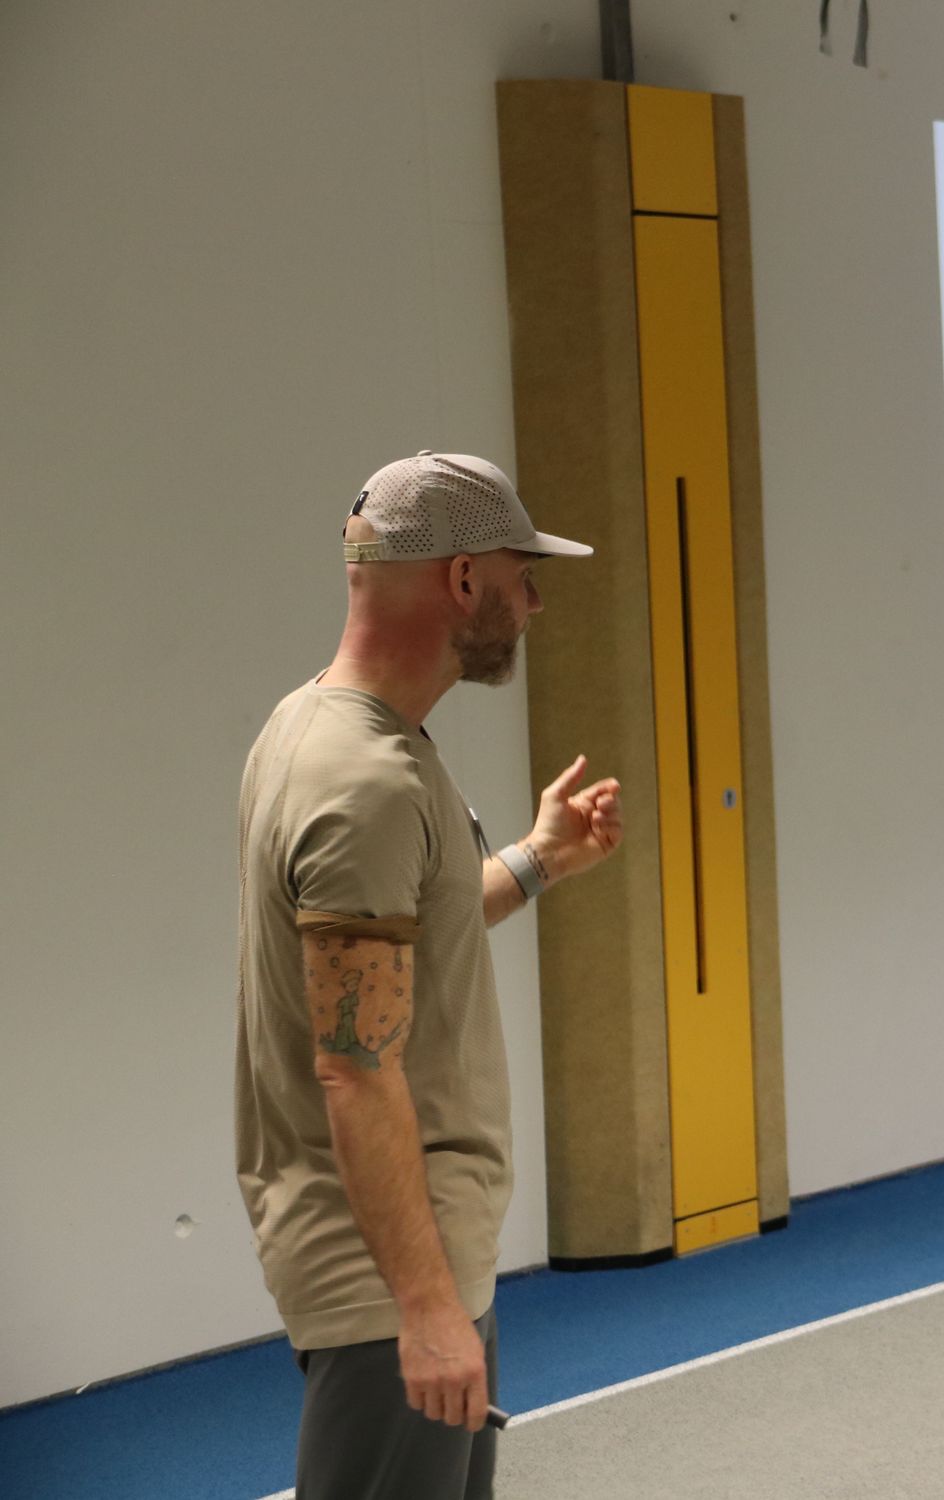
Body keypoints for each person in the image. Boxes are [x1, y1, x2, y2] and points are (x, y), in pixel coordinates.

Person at [234, 451, 621, 1499]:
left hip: (412, 1264)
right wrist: (426, 1307)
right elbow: (354, 1067)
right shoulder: (363, 783)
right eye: (520, 575)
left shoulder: (318, 729)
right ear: (461, 579)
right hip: (389, 1282)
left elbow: (402, 948)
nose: (533, 602)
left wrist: (539, 861)